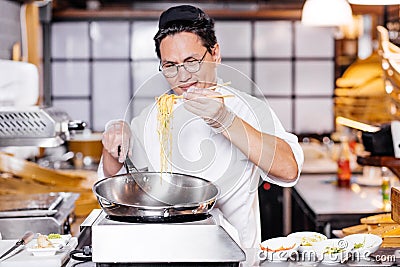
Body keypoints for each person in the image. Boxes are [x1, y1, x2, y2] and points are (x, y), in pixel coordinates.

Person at [99, 4, 304, 248]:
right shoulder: (152, 115)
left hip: (234, 257)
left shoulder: (246, 108)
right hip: (167, 252)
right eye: (170, 65)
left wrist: (226, 120)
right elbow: (117, 181)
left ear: (215, 54)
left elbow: (289, 169)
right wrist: (114, 139)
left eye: (192, 61)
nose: (182, 76)